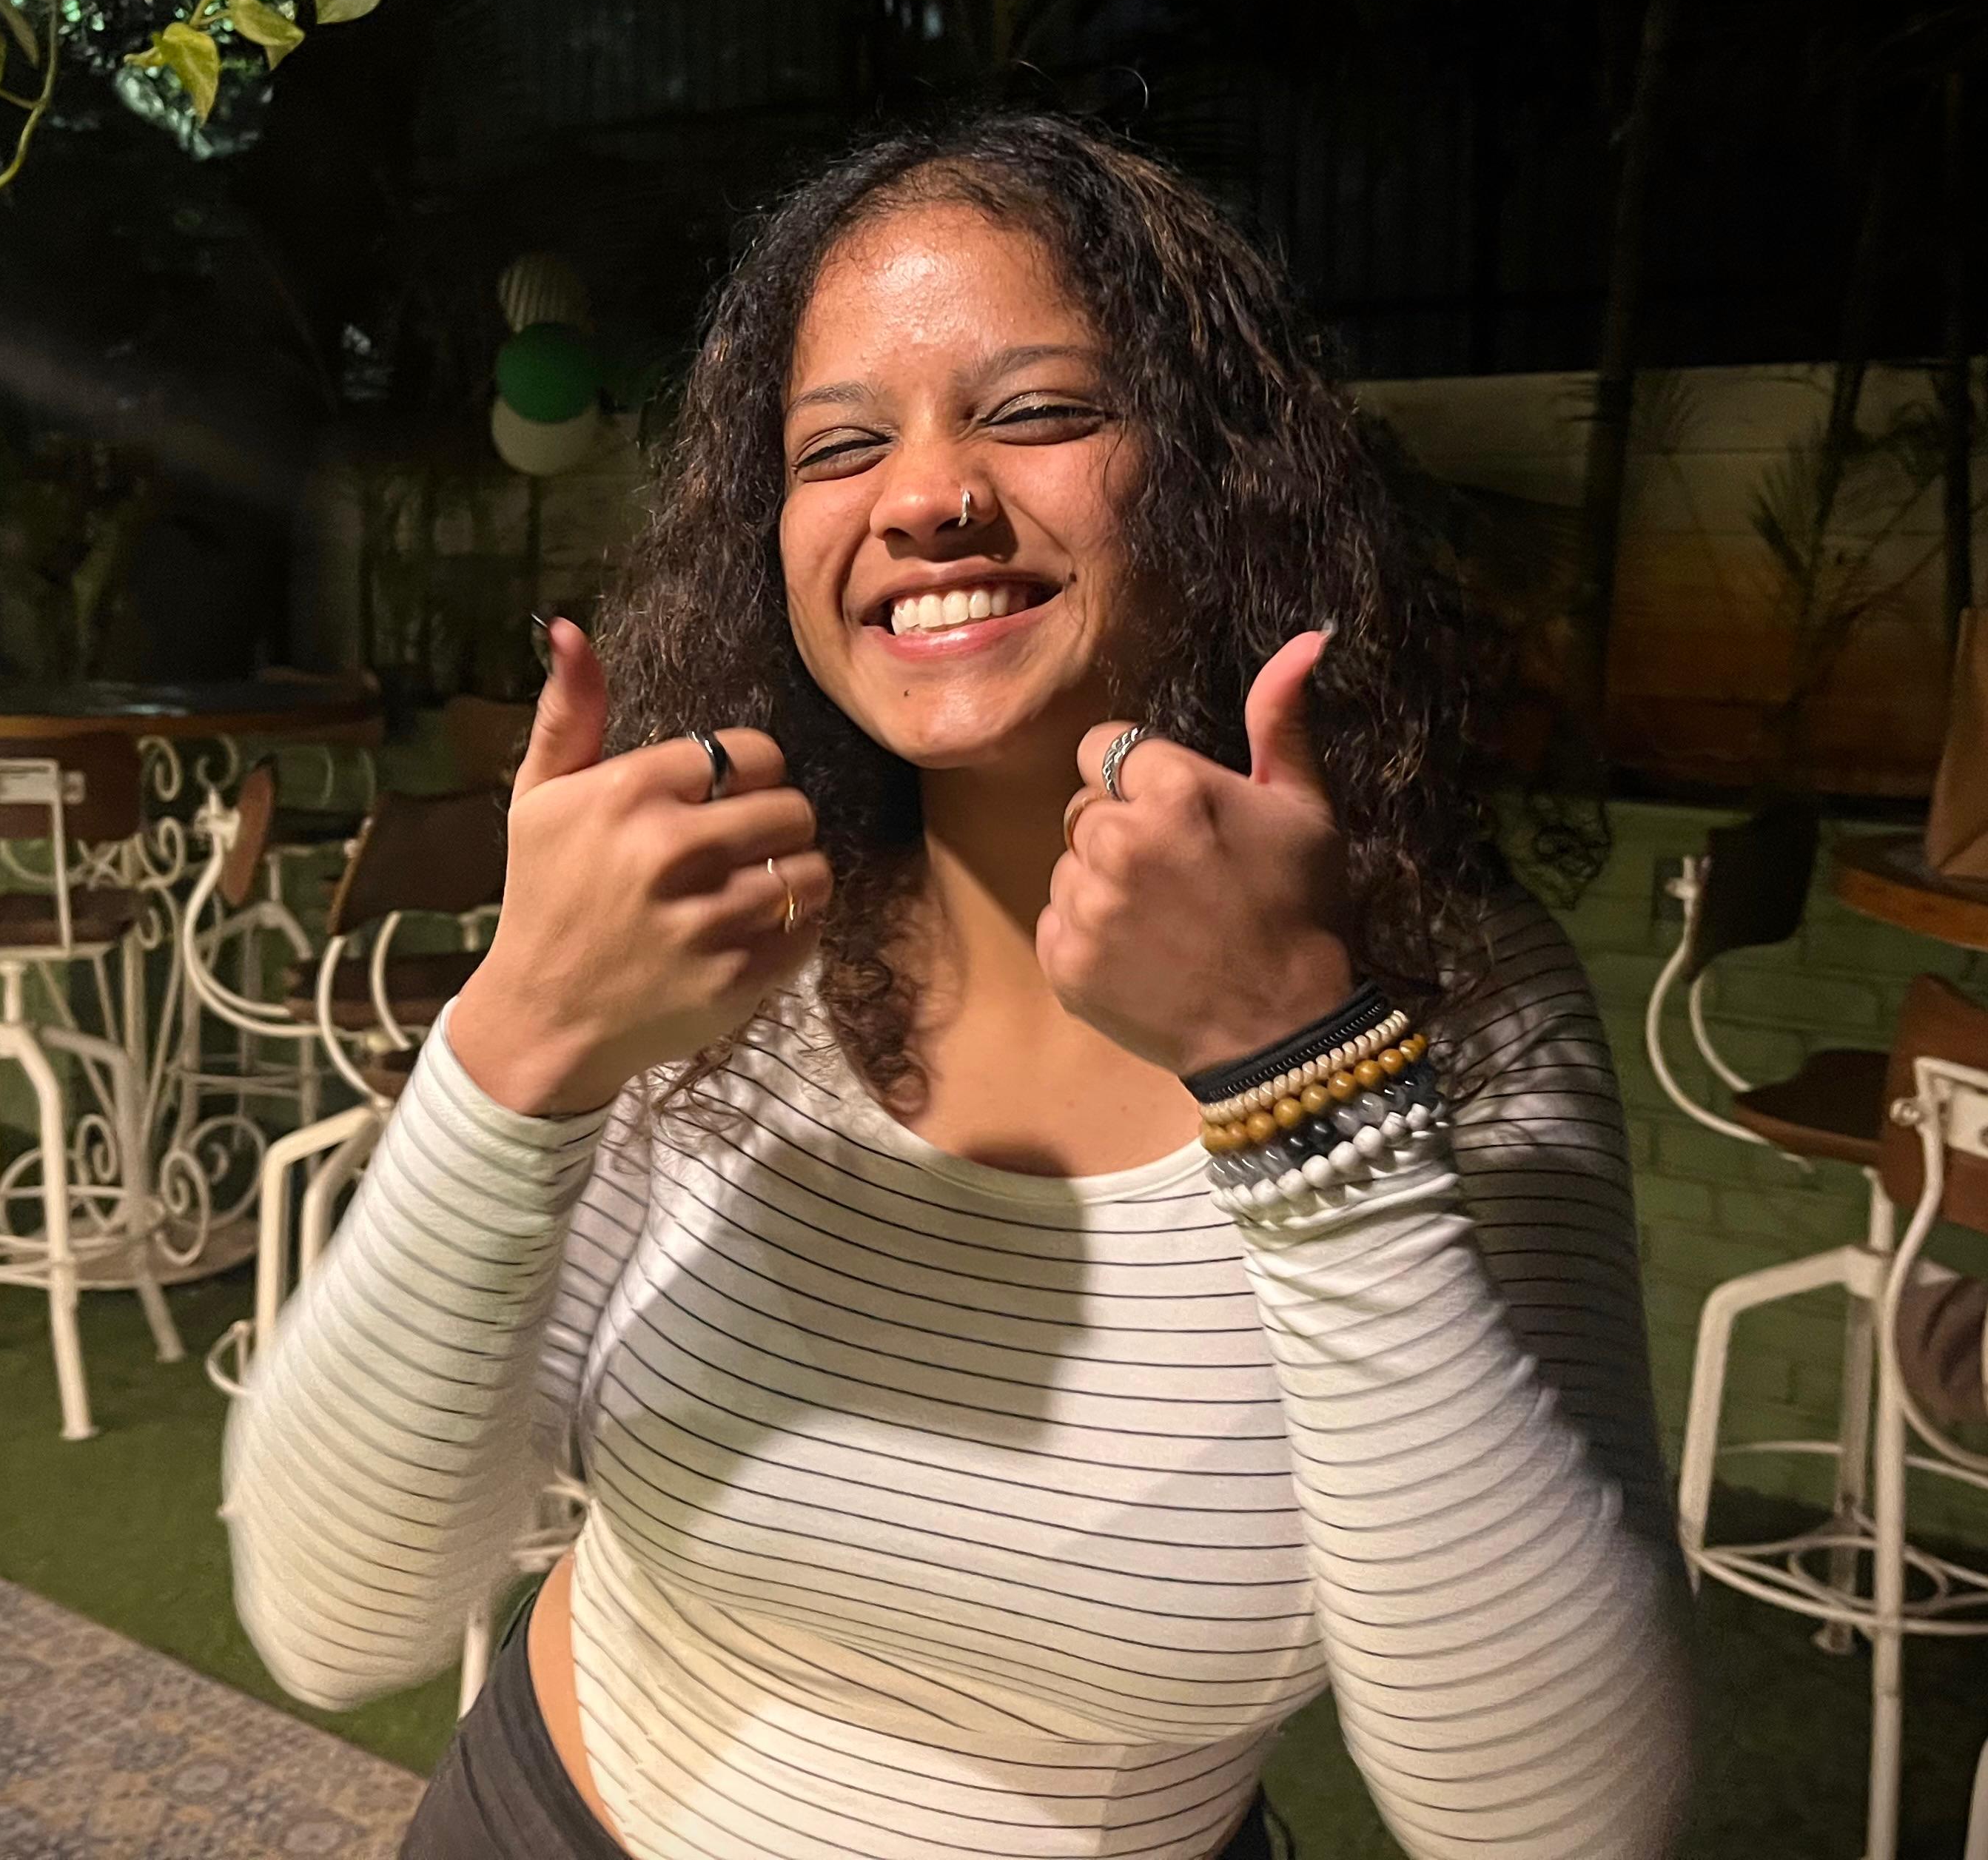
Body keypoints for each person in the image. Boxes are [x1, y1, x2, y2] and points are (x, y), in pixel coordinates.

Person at [224, 111, 1690, 1860]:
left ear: (1218, 474)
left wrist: (1296, 1075)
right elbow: (336, 1624)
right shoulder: (723, 930)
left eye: (1041, 412)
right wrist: (517, 1040)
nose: (926, 497)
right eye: (841, 445)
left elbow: (1556, 1831)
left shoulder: (1443, 996)